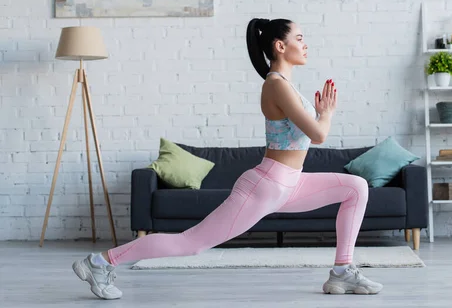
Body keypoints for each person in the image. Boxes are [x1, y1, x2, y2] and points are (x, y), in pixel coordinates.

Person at [72, 18, 383, 299]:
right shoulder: (276, 84)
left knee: (356, 186)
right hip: (267, 186)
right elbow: (318, 135)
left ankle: (342, 272)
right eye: (299, 38)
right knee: (190, 243)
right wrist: (326, 115)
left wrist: (319, 116)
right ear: (280, 45)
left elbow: (306, 132)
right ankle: (99, 262)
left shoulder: (285, 85)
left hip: (289, 184)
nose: (305, 44)